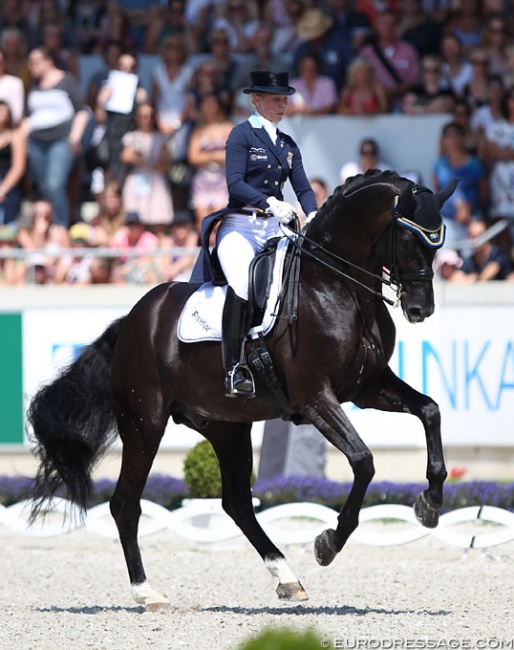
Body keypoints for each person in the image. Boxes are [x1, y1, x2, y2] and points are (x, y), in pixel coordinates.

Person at [190, 70, 318, 397]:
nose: (283, 105)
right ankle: (233, 368)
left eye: (285, 99)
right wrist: (270, 202)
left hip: (276, 228)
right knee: (244, 286)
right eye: (276, 99)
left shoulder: (288, 144)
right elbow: (235, 183)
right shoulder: (241, 135)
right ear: (257, 100)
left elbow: (302, 188)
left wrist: (315, 213)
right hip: (241, 227)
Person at [22, 47, 90, 229]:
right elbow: (29, 115)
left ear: (48, 61)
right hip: (35, 142)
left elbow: (82, 111)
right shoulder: (34, 85)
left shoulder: (67, 80)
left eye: (35, 62)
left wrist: (75, 138)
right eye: (30, 63)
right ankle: (44, 229)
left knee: (54, 185)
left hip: (60, 140)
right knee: (42, 187)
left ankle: (61, 227)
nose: (31, 66)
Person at [433, 120, 488, 251]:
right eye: (448, 134)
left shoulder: (474, 164)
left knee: (469, 258)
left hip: (472, 220)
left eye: (455, 133)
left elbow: (484, 191)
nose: (452, 138)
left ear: (462, 137)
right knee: (446, 257)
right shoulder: (439, 165)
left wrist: (471, 208)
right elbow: (439, 191)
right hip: (447, 220)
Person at [119, 101, 174, 231]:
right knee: (134, 222)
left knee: (158, 219)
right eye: (142, 116)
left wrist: (143, 160)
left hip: (156, 181)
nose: (146, 119)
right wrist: (149, 162)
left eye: (149, 116)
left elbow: (166, 165)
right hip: (137, 180)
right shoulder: (131, 136)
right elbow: (126, 156)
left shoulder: (160, 138)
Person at [187, 91, 233, 234]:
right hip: (203, 180)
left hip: (222, 180)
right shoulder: (199, 130)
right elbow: (193, 157)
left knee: (220, 223)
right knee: (203, 223)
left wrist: (206, 156)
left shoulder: (228, 127)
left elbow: (233, 155)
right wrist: (217, 155)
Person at [359, 10, 422, 111]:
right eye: (384, 23)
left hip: (404, 105)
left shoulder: (408, 50)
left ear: (397, 26)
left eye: (391, 23)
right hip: (374, 106)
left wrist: (393, 92)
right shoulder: (367, 52)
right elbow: (358, 79)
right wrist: (379, 92)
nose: (388, 26)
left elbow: (415, 80)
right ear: (376, 26)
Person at [449, 218, 512, 282]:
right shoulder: (471, 260)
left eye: (479, 235)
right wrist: (472, 278)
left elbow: (486, 277)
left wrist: (473, 279)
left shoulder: (498, 256)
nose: (476, 240)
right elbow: (454, 279)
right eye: (472, 236)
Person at [0, 100, 26, 225]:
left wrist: (3, 189)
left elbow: (18, 167)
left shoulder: (16, 135)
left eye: (5, 112)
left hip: (8, 186)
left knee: (8, 228)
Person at [288, 50, 338, 116]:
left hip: (324, 123)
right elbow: (283, 109)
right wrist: (295, 109)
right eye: (306, 67)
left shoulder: (327, 83)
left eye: (312, 67)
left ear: (317, 67)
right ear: (300, 68)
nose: (308, 70)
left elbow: (331, 106)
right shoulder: (293, 84)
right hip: (299, 123)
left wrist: (311, 112)